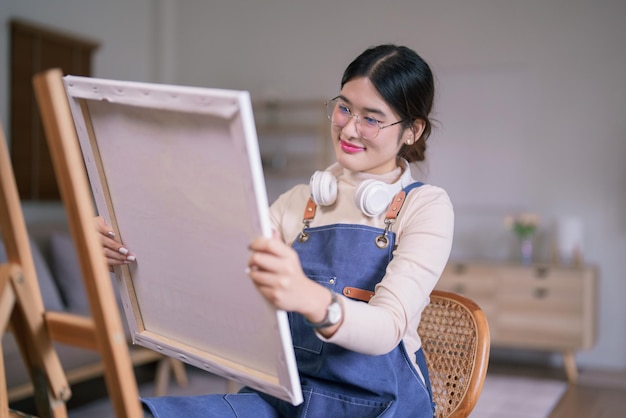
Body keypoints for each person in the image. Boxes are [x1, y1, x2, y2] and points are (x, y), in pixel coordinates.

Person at [96, 44, 454, 418]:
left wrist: (309, 298)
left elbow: (388, 327)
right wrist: (126, 244)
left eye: (372, 119)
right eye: (344, 107)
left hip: (379, 407)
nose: (349, 128)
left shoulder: (426, 207)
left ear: (412, 131)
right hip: (285, 399)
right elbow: (216, 262)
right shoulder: (297, 202)